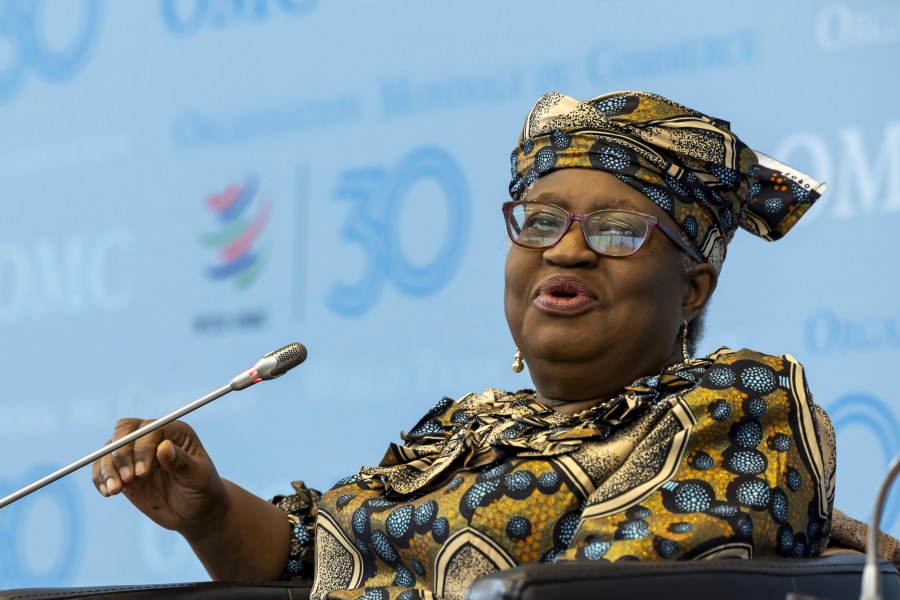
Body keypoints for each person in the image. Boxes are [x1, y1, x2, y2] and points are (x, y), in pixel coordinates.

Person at [94, 91, 836, 600]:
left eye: (615, 231)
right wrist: (211, 512)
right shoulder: (470, 425)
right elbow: (308, 559)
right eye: (541, 222)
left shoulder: (738, 407)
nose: (566, 252)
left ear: (695, 287)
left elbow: (602, 588)